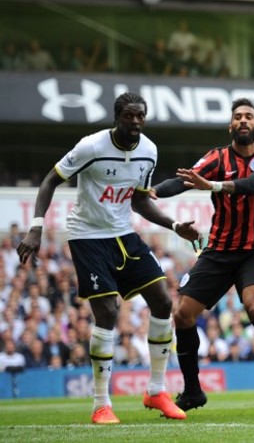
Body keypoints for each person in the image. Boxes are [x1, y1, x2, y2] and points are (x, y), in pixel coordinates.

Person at [16, 92, 200, 424]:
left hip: (123, 233)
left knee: (161, 301)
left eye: (140, 116)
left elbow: (140, 201)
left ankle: (156, 391)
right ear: (117, 117)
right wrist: (36, 228)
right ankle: (101, 404)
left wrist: (174, 226)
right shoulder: (91, 147)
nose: (135, 122)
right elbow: (49, 181)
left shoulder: (149, 151)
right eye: (129, 116)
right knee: (108, 311)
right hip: (86, 235)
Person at [151, 97, 254, 414]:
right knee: (183, 315)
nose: (243, 120)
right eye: (238, 117)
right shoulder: (217, 157)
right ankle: (192, 391)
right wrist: (152, 192)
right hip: (219, 249)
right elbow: (186, 179)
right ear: (231, 125)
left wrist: (214, 186)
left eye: (249, 116)